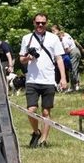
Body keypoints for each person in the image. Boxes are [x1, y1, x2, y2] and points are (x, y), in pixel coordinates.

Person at [19, 13, 68, 148]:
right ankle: (36, 132)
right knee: (31, 110)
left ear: (46, 24)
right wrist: (27, 59)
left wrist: (63, 78)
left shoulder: (53, 38)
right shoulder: (27, 38)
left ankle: (44, 141)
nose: (40, 25)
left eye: (43, 23)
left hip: (48, 79)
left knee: (46, 111)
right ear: (33, 23)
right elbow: (21, 59)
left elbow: (59, 59)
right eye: (38, 23)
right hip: (32, 79)